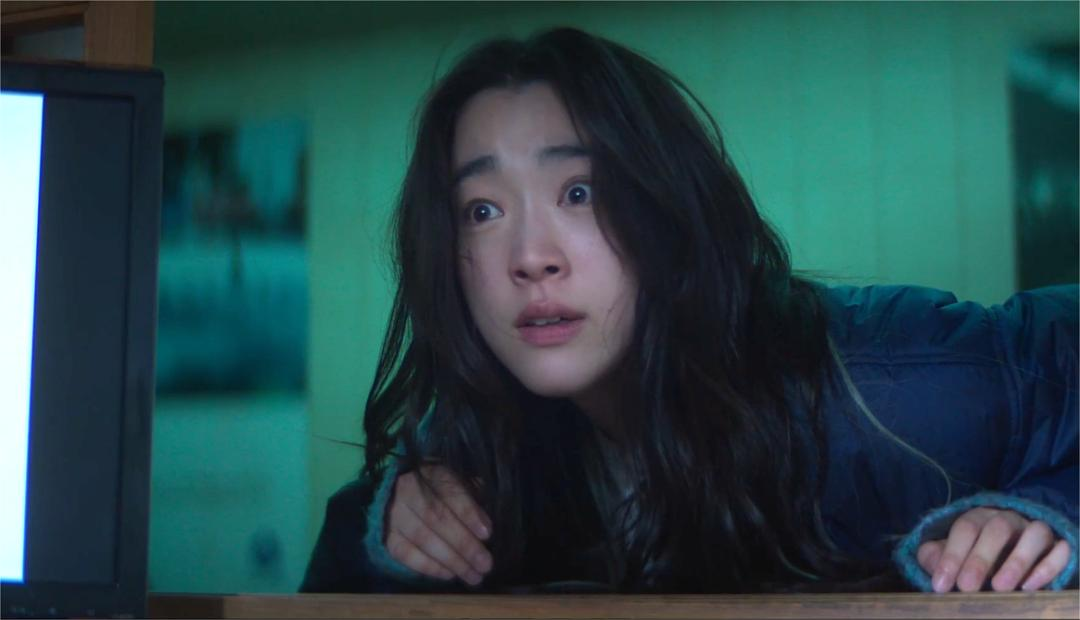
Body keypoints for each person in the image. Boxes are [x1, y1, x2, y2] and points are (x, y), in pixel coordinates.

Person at [301, 27, 1078, 594]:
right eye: (482, 210)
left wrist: (1048, 514)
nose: (530, 256)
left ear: (670, 207)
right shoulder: (485, 438)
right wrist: (400, 519)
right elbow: (333, 565)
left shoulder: (886, 385)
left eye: (580, 192)